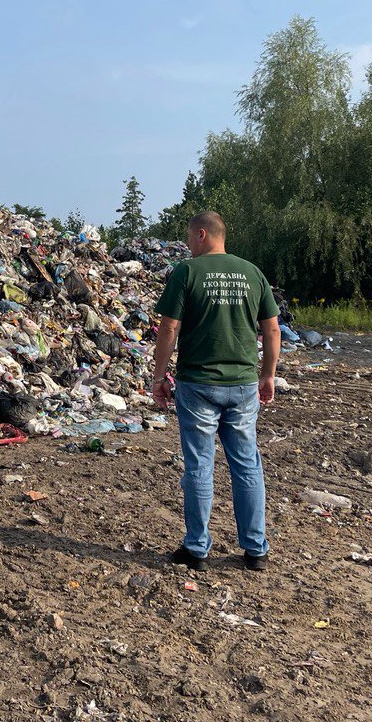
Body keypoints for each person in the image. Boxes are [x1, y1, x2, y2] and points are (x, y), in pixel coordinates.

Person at [151, 211, 280, 572]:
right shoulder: (252, 273)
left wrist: (159, 375)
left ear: (202, 235)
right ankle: (255, 551)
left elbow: (169, 327)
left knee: (199, 466)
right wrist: (268, 374)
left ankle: (197, 549)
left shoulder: (187, 272)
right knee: (247, 466)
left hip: (198, 384)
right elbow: (271, 330)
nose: (189, 245)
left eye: (190, 238)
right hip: (242, 384)